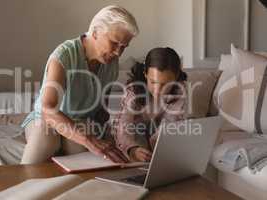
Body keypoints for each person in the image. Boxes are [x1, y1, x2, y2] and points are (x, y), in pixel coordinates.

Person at [20, 5, 139, 164]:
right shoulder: (64, 55)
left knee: (85, 149)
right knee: (46, 135)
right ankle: (22, 183)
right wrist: (89, 140)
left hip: (80, 122)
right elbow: (48, 110)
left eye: (124, 47)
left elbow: (101, 111)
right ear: (95, 32)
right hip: (45, 120)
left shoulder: (112, 64)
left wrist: (112, 137)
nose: (118, 52)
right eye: (114, 43)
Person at [111, 47, 188, 162]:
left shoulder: (180, 91)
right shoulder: (133, 91)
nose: (157, 90)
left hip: (161, 135)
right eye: (153, 82)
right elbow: (124, 125)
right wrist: (132, 149)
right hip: (134, 132)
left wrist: (157, 150)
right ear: (145, 74)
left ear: (176, 78)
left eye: (166, 84)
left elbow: (170, 125)